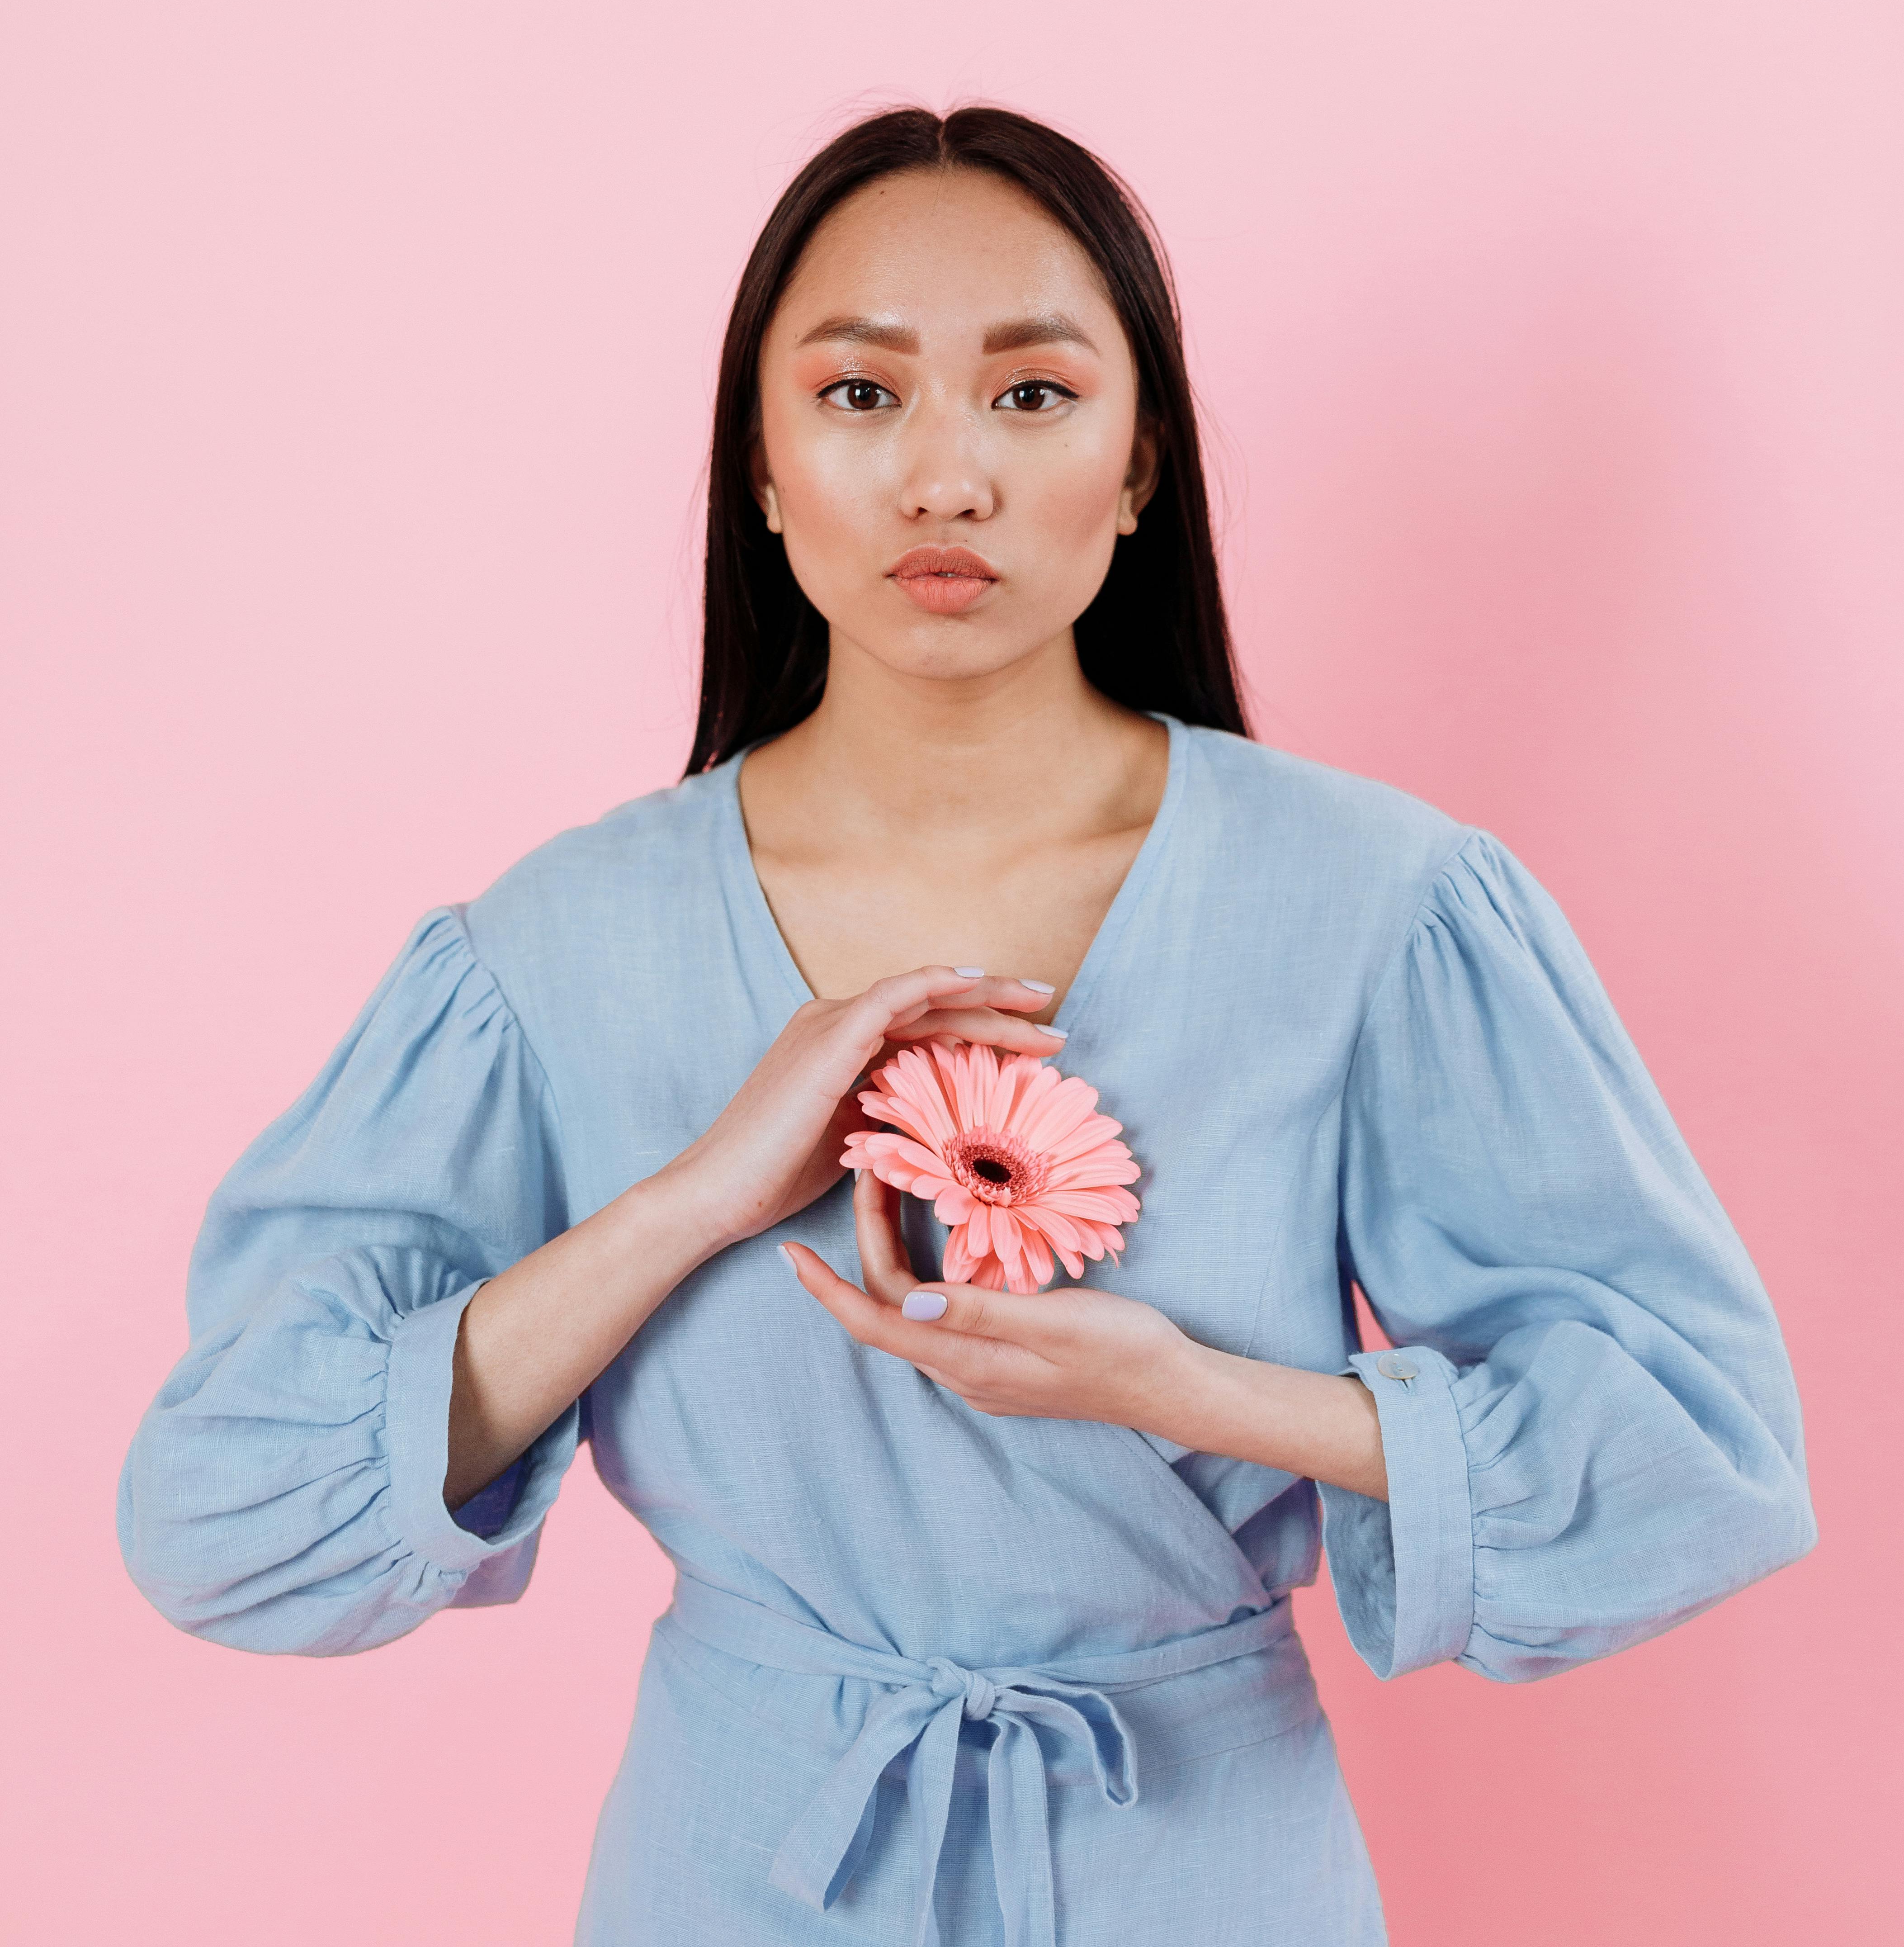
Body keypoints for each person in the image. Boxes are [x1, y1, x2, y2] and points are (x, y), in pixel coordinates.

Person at [120, 104, 1814, 1947]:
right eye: (860, 396)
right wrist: (688, 1198)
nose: (945, 477)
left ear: (1141, 456)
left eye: (1030, 395)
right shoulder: (550, 949)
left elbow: (1697, 1454)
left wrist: (1193, 1390)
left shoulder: (1377, 904)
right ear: (759, 466)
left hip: (1209, 1864)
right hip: (741, 1871)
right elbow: (224, 1511)